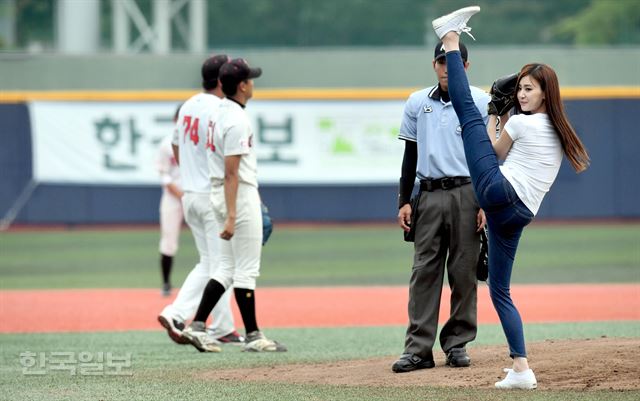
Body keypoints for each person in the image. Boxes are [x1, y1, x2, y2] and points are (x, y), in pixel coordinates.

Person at [431, 6, 590, 389]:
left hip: (499, 192)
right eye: (519, 88)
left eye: (529, 88)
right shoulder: (559, 127)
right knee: (500, 290)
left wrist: (492, 113)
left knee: (467, 114)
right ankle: (521, 369)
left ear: (545, 91)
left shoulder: (519, 122)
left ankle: (449, 38)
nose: (520, 93)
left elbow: (491, 151)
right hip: (518, 213)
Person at [393, 40, 488, 373]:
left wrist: (485, 202)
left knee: (463, 273)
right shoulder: (418, 101)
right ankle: (418, 349)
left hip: (468, 192)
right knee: (424, 273)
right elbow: (411, 154)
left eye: (455, 62)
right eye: (442, 61)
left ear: (466, 65)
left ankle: (457, 343)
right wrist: (405, 200)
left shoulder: (480, 101)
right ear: (434, 65)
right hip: (429, 193)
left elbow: (487, 155)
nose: (448, 68)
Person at [181, 58, 286, 353]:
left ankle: (197, 326)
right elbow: (232, 172)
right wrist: (232, 215)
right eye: (250, 79)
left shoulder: (219, 112)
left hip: (217, 192)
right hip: (236, 195)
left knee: (225, 267)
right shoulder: (237, 119)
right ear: (242, 86)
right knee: (246, 270)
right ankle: (253, 336)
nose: (253, 82)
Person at [157, 55, 244, 349]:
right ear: (222, 80)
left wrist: (188, 174)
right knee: (219, 265)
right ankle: (176, 314)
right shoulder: (220, 109)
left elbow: (175, 143)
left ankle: (222, 327)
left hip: (190, 195)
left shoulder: (188, 105)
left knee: (214, 262)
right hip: (210, 196)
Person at [156, 106, 184, 297]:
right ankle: (166, 283)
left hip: (197, 194)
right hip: (173, 197)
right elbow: (164, 176)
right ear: (175, 120)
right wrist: (181, 194)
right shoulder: (166, 145)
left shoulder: (198, 143)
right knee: (169, 239)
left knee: (209, 239)